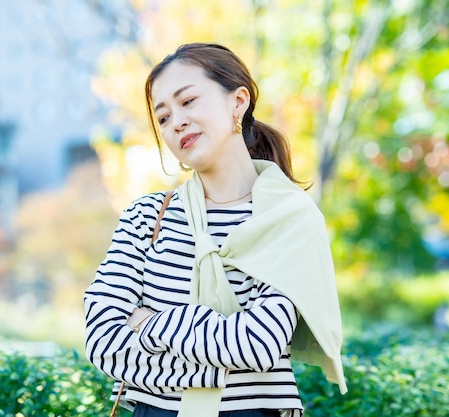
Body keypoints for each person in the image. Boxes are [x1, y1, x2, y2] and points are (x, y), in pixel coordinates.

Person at [84, 42, 346, 417]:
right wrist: (221, 347)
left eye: (188, 101)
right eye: (162, 118)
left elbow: (258, 344)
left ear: (237, 102)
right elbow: (103, 341)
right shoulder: (145, 217)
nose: (176, 122)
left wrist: (149, 323)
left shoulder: (286, 218)